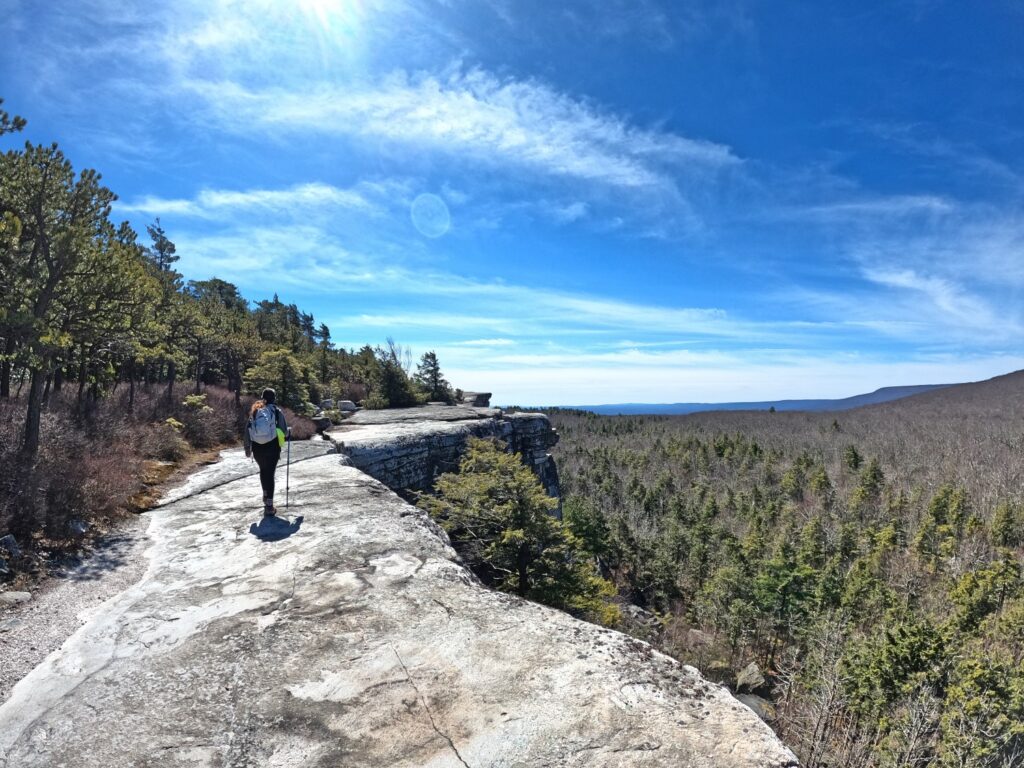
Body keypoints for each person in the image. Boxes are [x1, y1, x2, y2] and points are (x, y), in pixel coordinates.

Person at [244, 388, 288, 516]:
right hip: (272, 446)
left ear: (263, 398)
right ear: (274, 398)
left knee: (263, 471)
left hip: (257, 448)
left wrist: (247, 447)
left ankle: (265, 494)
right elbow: (284, 431)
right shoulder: (276, 411)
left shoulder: (256, 410)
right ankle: (269, 506)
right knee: (270, 474)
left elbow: (247, 429)